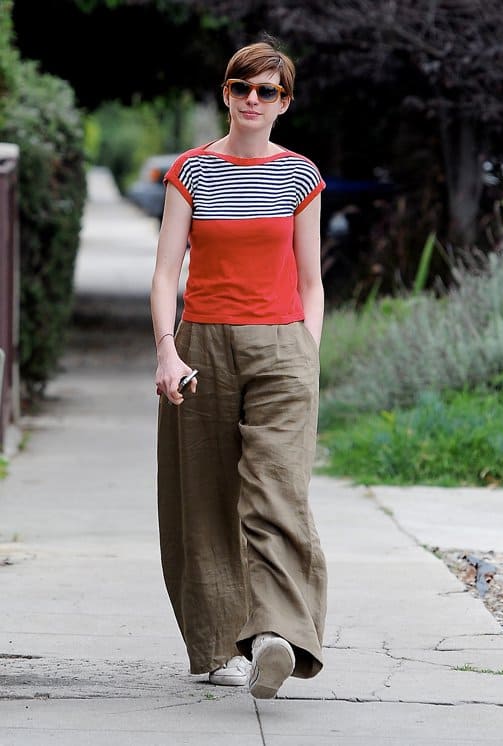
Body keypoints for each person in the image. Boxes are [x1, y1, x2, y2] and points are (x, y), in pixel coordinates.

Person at [150, 37, 327, 700]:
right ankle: (217, 642)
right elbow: (167, 272)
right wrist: (167, 349)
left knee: (278, 488)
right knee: (202, 498)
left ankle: (277, 635)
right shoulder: (191, 171)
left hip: (280, 345)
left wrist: (307, 351)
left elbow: (312, 282)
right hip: (202, 344)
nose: (253, 100)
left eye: (268, 91)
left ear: (285, 102)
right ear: (226, 94)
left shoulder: (300, 177)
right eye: (242, 88)